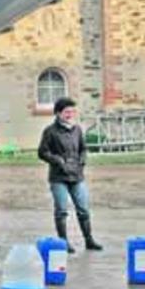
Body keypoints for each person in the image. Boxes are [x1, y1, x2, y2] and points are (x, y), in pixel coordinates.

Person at [38, 97, 103, 253]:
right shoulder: (50, 131)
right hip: (58, 177)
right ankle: (63, 242)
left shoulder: (77, 129)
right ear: (58, 113)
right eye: (67, 111)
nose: (70, 114)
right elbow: (42, 152)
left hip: (77, 176)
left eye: (72, 111)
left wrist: (82, 160)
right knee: (61, 210)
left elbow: (83, 148)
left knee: (83, 209)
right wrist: (57, 160)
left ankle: (89, 240)